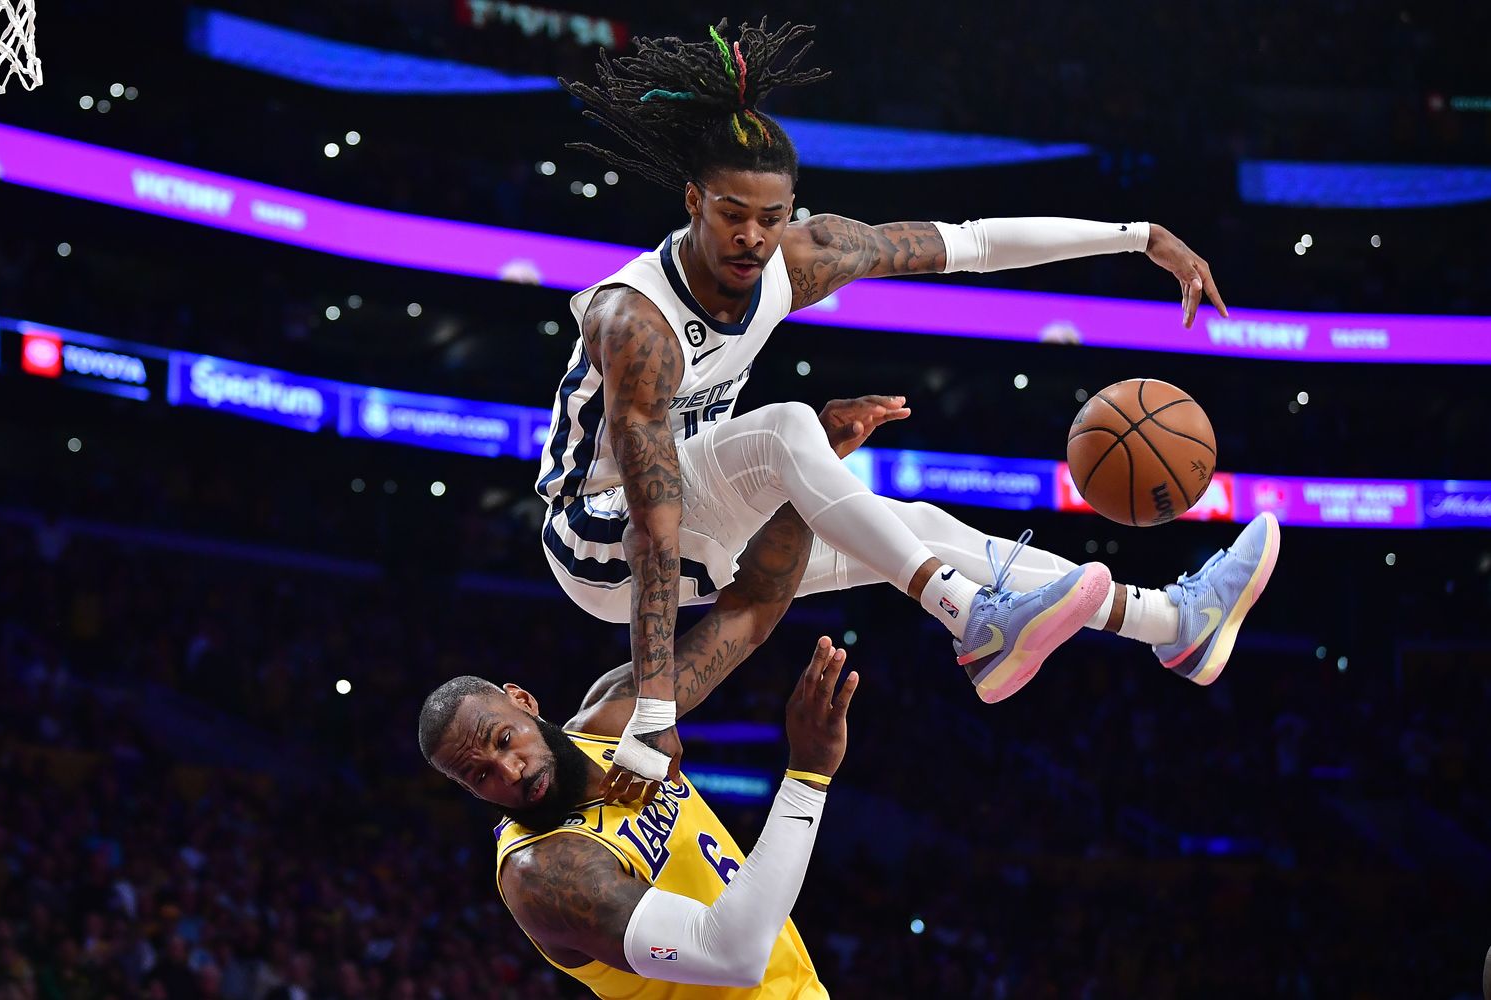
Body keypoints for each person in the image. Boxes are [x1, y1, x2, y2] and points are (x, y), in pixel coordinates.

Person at [541, 20, 1281, 799]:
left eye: (770, 217)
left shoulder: (803, 258)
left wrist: (1138, 236)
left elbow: (973, 243)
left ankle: (1173, 624)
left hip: (695, 519)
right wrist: (656, 712)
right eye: (731, 214)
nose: (752, 237)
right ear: (693, 202)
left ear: (791, 210)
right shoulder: (638, 322)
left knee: (920, 526)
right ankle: (971, 620)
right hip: (599, 534)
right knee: (788, 428)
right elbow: (652, 524)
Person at [419, 486, 851, 996]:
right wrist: (808, 776)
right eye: (480, 775)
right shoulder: (544, 873)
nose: (510, 771)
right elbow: (734, 955)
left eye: (504, 740)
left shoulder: (611, 721)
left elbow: (747, 611)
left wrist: (805, 479)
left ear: (524, 701)